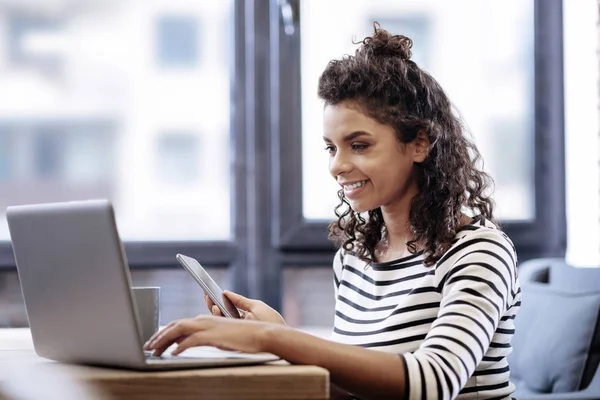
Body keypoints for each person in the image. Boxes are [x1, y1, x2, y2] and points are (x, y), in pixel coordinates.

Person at [145, 23, 520, 400]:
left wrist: (272, 339)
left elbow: (433, 382)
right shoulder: (355, 259)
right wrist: (280, 344)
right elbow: (353, 389)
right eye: (331, 148)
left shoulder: (480, 251)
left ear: (419, 143)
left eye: (358, 145)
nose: (336, 166)